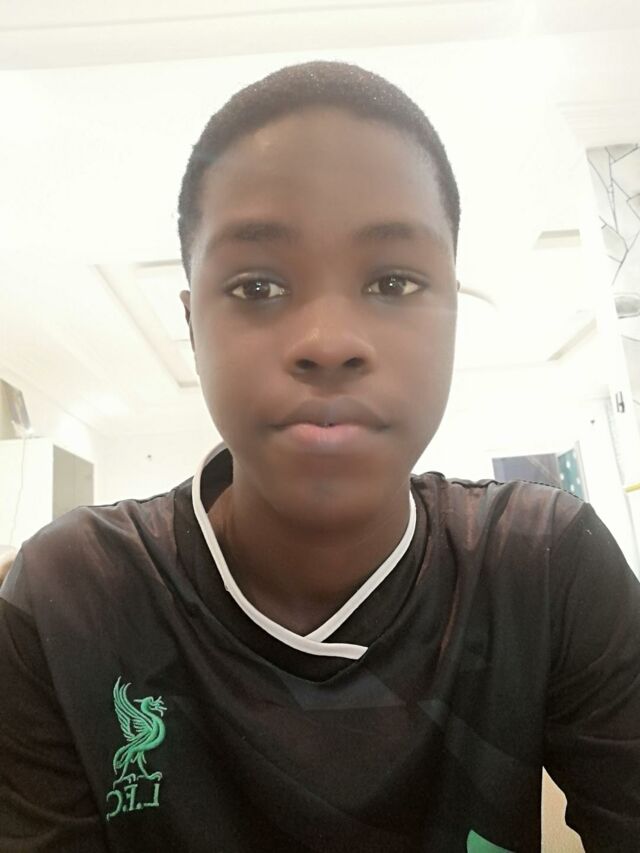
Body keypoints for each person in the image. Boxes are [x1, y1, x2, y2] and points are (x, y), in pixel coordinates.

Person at [1, 61, 638, 853]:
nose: (330, 342)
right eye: (258, 287)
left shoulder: (544, 565)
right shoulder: (71, 599)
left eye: (394, 282)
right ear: (193, 325)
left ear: (452, 312)